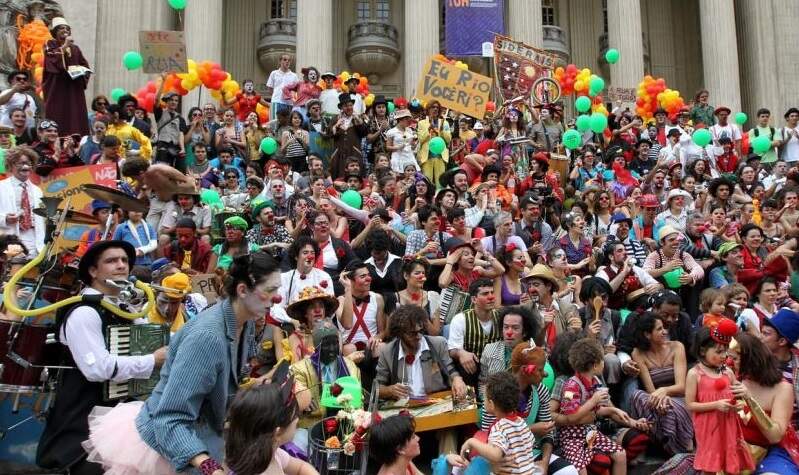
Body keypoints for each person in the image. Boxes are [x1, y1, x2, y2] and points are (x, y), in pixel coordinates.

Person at [37, 240, 167, 474]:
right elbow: (97, 369)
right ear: (93, 271)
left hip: (120, 413)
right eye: (111, 261)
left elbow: (149, 342)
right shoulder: (84, 312)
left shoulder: (124, 307)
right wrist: (152, 360)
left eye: (125, 260)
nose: (121, 266)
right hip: (84, 416)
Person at [556, 337, 639, 475]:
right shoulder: (571, 387)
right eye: (603, 360)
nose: (604, 363)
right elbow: (570, 416)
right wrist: (593, 401)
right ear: (595, 365)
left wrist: (614, 410)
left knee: (620, 454)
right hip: (571, 437)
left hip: (590, 432)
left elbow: (597, 411)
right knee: (580, 469)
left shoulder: (595, 381)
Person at [686, 321, 754, 474]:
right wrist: (715, 405)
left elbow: (739, 398)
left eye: (725, 352)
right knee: (710, 464)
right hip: (708, 427)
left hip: (729, 424)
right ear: (703, 351)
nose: (724, 356)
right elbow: (690, 404)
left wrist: (740, 406)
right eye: (718, 352)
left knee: (731, 459)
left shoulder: (727, 372)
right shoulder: (694, 374)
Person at [729, 333, 799, 474]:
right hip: (734, 447)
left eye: (734, 358)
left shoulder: (783, 388)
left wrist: (749, 399)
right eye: (728, 357)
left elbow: (774, 436)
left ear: (750, 359)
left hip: (774, 451)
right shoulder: (734, 377)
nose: (729, 362)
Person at [627, 313, 694, 456]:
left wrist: (664, 391)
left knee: (669, 407)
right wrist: (661, 398)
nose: (665, 332)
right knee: (637, 395)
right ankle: (660, 441)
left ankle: (676, 447)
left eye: (664, 328)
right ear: (647, 334)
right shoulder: (638, 353)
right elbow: (651, 391)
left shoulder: (677, 347)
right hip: (657, 400)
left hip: (680, 398)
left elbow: (681, 387)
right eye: (659, 329)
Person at [376, 304, 466, 400]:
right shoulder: (387, 352)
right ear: (400, 334)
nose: (418, 336)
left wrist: (457, 379)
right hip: (404, 407)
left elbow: (451, 370)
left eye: (420, 331)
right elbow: (376, 389)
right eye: (412, 333)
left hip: (435, 401)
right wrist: (389, 390)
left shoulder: (438, 343)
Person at [224, 382, 316, 475]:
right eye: (295, 416)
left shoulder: (272, 455)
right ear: (278, 432)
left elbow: (300, 467)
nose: (297, 419)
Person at [459, 371, 541, 475]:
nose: (483, 401)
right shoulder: (521, 422)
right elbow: (530, 444)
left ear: (491, 404)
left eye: (485, 398)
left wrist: (471, 442)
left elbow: (496, 454)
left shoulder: (499, 427)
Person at [447, 278, 501, 387]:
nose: (491, 297)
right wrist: (461, 353)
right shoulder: (460, 319)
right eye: (485, 294)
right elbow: (452, 350)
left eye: (492, 292)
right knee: (465, 363)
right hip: (471, 370)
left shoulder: (501, 317)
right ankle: (469, 401)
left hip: (496, 368)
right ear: (474, 299)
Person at [42, 17, 90, 136]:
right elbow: (52, 60)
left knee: (75, 114)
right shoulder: (50, 44)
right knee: (58, 113)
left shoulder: (75, 49)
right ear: (55, 32)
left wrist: (82, 71)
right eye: (61, 28)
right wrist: (64, 46)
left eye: (67, 28)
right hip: (57, 87)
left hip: (73, 87)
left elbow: (84, 65)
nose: (65, 30)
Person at [270, 236, 334, 325]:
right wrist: (292, 321)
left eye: (312, 253)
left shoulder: (324, 276)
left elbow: (330, 307)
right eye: (305, 252)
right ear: (296, 256)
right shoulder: (284, 278)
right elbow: (276, 308)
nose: (310, 256)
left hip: (320, 325)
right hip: (291, 325)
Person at [0, 146, 44, 257]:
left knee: (34, 273)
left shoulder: (37, 190)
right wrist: (5, 219)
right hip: (9, 240)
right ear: (11, 166)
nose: (25, 167)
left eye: (28, 163)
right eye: (20, 163)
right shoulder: (1, 187)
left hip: (35, 241)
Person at [760, 308, 799, 429]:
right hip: (758, 429)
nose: (760, 337)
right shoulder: (756, 363)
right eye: (761, 332)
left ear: (782, 341)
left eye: (766, 334)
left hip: (791, 433)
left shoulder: (796, 369)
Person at [284, 285, 340, 362]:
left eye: (321, 306)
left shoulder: (334, 333)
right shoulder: (296, 337)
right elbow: (295, 367)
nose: (317, 310)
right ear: (305, 313)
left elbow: (337, 361)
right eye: (312, 307)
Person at [152, 89, 188, 172]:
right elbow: (156, 100)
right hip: (163, 146)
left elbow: (181, 134)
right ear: (166, 101)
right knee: (162, 172)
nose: (174, 102)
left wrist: (182, 148)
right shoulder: (160, 113)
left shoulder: (180, 118)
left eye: (176, 100)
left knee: (180, 172)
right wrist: (163, 81)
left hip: (175, 147)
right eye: (171, 100)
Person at [265, 54, 299, 120]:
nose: (287, 61)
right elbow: (270, 88)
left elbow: (297, 90)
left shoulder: (294, 76)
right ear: (280, 61)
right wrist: (277, 95)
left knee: (288, 124)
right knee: (274, 122)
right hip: (276, 101)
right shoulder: (274, 73)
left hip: (289, 103)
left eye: (289, 60)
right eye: (285, 60)